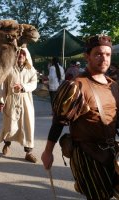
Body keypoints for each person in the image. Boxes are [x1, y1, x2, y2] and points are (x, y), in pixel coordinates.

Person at [41, 34, 119, 199]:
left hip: (112, 152)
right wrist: (48, 152)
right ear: (87, 56)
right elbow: (59, 121)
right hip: (88, 155)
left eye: (107, 54)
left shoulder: (113, 86)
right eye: (98, 54)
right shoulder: (75, 86)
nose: (103, 58)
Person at [0, 48, 37, 163]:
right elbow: (3, 86)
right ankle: (7, 144)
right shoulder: (9, 69)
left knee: (27, 126)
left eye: (23, 54)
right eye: (19, 53)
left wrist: (23, 87)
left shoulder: (31, 70)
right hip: (11, 100)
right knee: (10, 125)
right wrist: (1, 101)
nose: (21, 55)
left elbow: (34, 83)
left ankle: (28, 152)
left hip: (26, 101)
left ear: (26, 56)